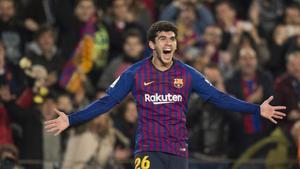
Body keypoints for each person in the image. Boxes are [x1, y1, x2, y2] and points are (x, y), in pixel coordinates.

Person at [45, 21, 286, 169]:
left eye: (172, 39)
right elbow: (107, 102)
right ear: (152, 44)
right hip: (148, 150)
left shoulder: (188, 74)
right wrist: (71, 119)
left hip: (178, 151)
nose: (169, 43)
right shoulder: (134, 73)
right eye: (163, 39)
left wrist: (257, 109)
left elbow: (218, 97)